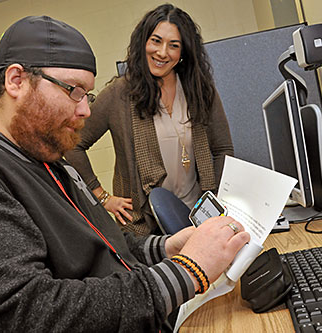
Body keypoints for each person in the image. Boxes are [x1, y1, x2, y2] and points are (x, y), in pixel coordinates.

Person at [0, 15, 249, 332]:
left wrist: (165, 248)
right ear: (16, 81)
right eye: (73, 91)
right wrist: (188, 271)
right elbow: (36, 316)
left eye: (88, 94)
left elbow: (102, 244)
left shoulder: (48, 160)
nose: (85, 109)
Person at [64, 4, 234, 236]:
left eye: (173, 45)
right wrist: (101, 195)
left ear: (183, 52)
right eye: (156, 41)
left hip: (198, 218)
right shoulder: (120, 93)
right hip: (144, 225)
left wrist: (216, 200)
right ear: (143, 42)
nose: (162, 52)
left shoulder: (200, 90)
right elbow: (74, 142)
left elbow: (223, 149)